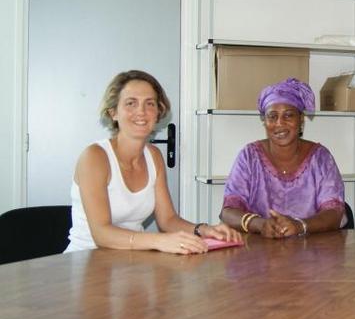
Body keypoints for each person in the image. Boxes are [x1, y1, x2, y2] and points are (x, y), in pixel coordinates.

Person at [66, 70, 241, 254]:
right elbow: (101, 234)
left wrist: (204, 230)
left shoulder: (154, 156)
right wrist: (160, 241)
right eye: (131, 103)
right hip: (85, 260)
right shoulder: (94, 157)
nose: (141, 112)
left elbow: (167, 220)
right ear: (113, 113)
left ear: (158, 112)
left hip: (131, 261)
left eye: (149, 104)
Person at [220, 78, 346, 237]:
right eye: (272, 116)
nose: (279, 123)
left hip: (312, 253)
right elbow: (228, 211)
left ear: (301, 120)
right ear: (264, 122)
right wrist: (260, 224)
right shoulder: (249, 156)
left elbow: (334, 212)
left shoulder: (321, 158)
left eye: (288, 115)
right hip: (257, 252)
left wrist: (300, 226)